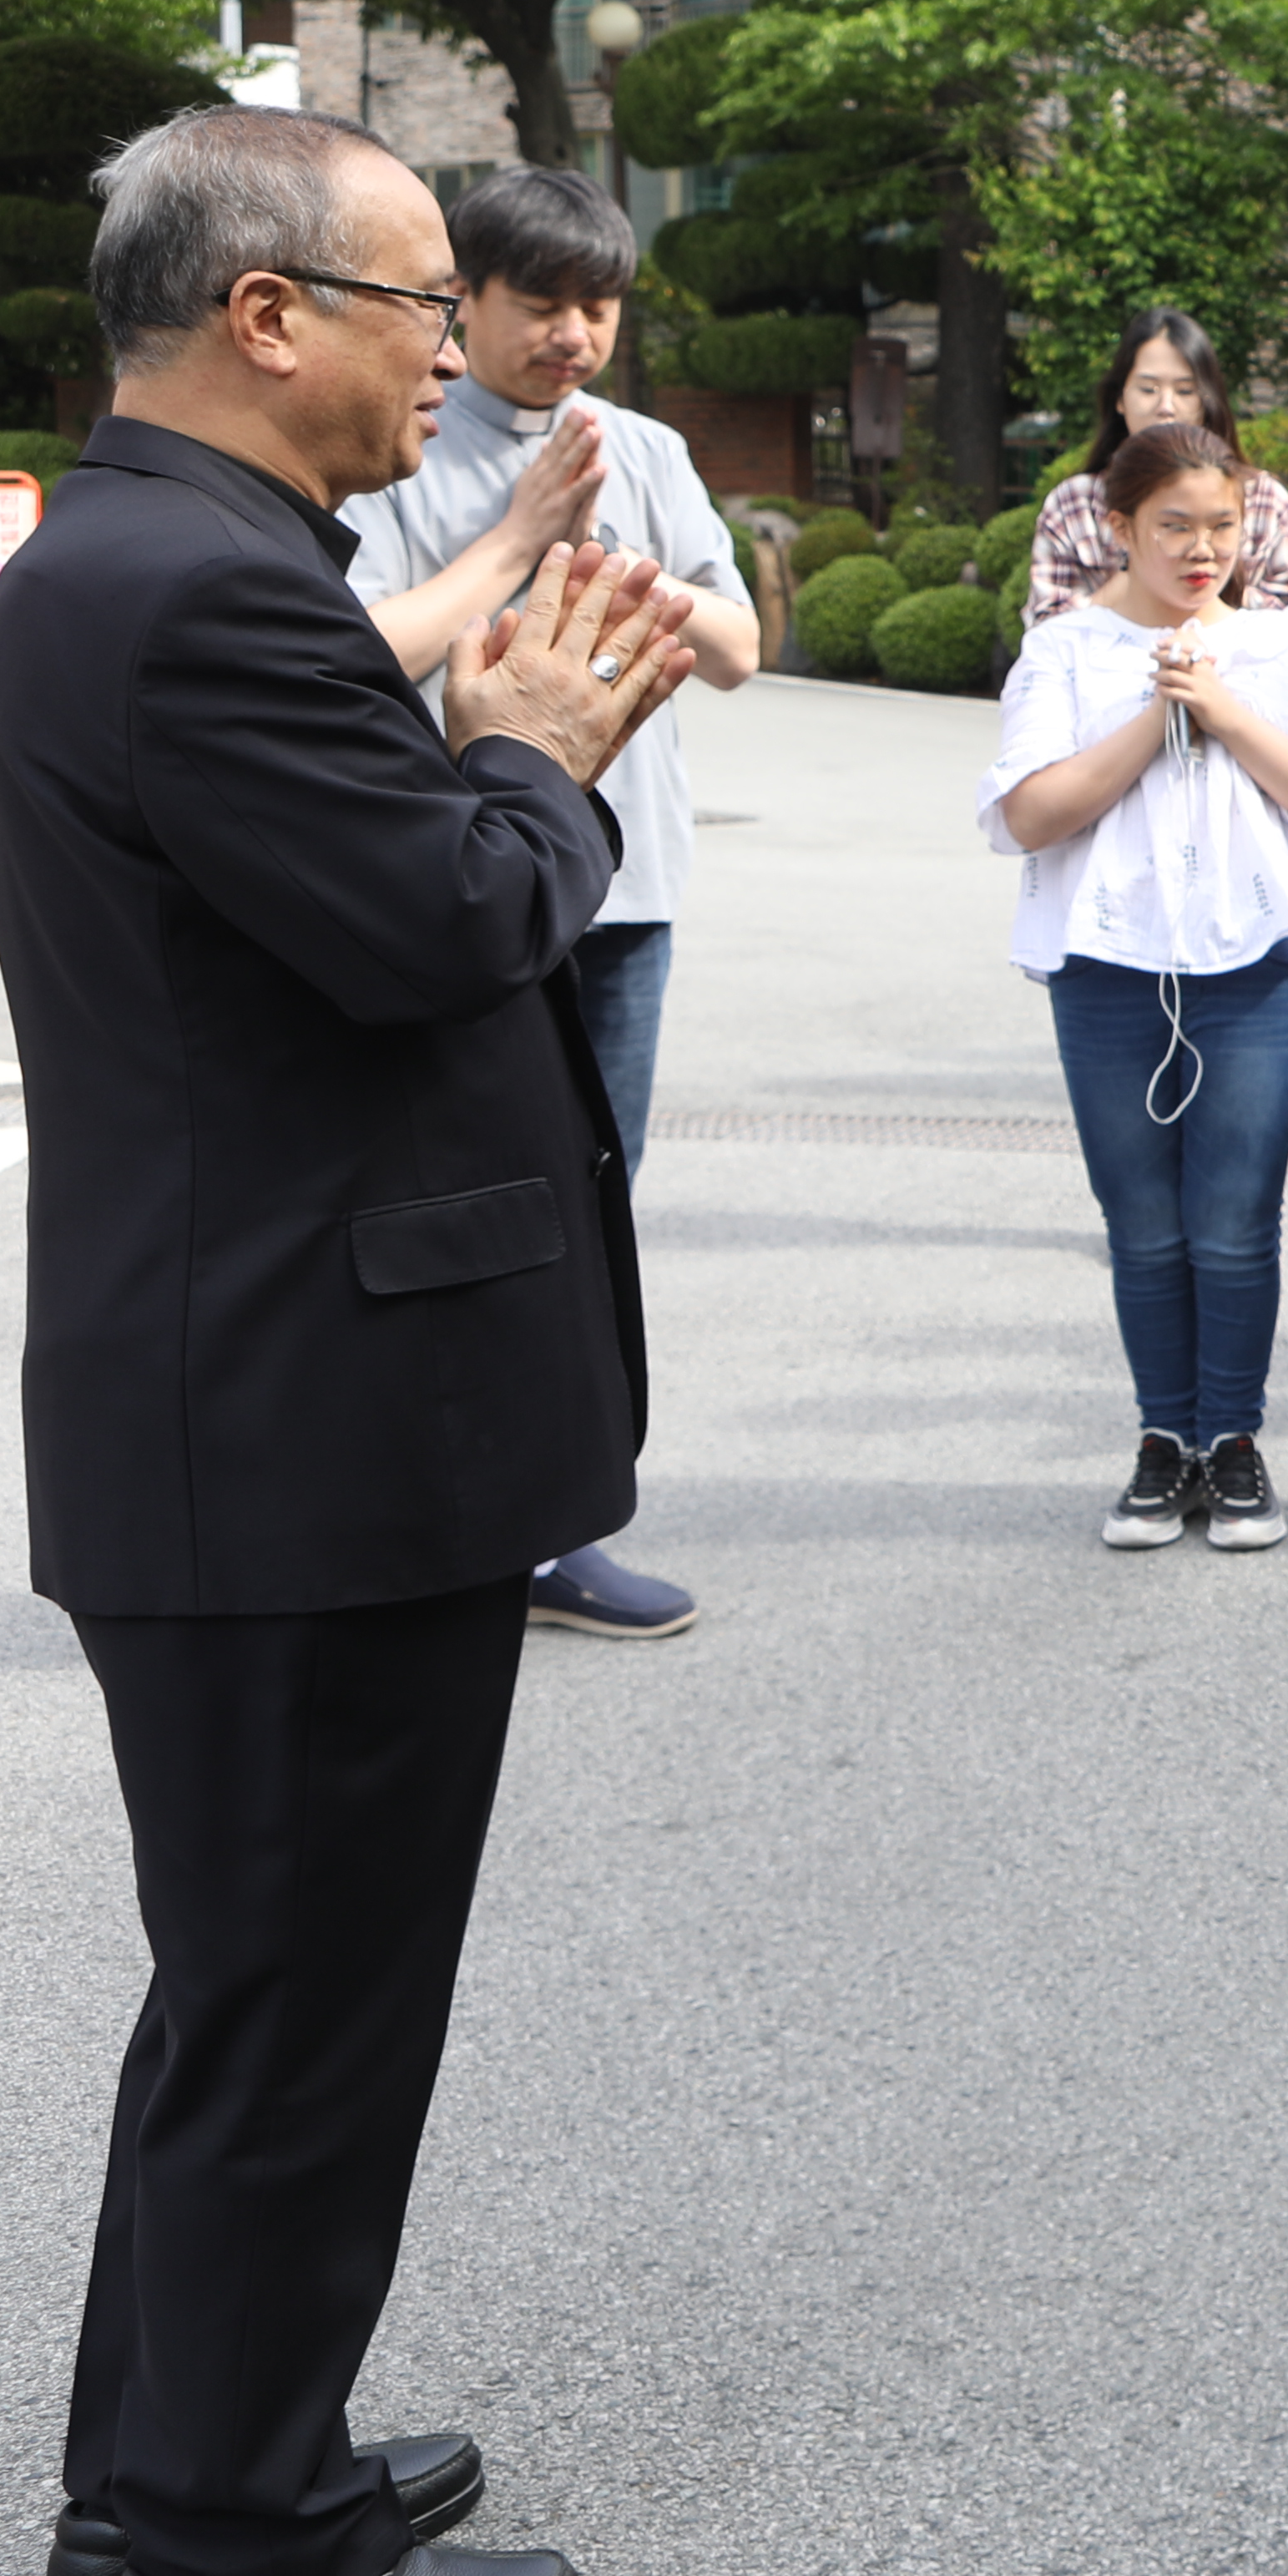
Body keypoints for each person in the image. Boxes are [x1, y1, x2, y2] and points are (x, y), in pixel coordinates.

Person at [0, 101, 692, 2576]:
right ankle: (237, 2565)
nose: (451, 354)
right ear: (266, 314)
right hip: (306, 1420)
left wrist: (482, 720)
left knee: (247, 1988)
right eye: (416, 305)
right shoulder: (203, 596)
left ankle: (166, 2483)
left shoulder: (155, 561)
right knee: (303, 2006)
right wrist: (534, 761)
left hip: (250, 1398)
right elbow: (438, 923)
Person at [334, 162, 754, 1648]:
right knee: (468, 1215)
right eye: (544, 304)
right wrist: (513, 543)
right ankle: (449, 1523)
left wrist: (629, 579)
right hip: (469, 888)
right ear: (466, 303)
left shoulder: (645, 447)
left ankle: (553, 1528)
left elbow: (737, 646)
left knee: (587, 1212)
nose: (575, 335)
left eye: (600, 306)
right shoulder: (409, 435)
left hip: (625, 888)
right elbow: (371, 651)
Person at [979, 419, 1288, 1556]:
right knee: (1144, 1226)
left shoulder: (1282, 651)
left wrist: (1227, 713)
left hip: (1257, 970)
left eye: (1223, 525)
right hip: (1106, 973)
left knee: (1235, 1223)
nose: (1203, 549)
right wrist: (1157, 716)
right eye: (1174, 526)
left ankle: (1235, 1441)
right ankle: (1165, 1439)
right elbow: (1029, 814)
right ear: (1119, 527)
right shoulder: (1065, 650)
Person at [1023, 310, 1288, 624]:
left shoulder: (1264, 500)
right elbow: (1045, 627)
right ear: (1120, 398)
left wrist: (1206, 596)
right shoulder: (1074, 503)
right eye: (1148, 389)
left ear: (1207, 401)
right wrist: (1135, 587)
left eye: (1185, 391)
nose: (1166, 407)